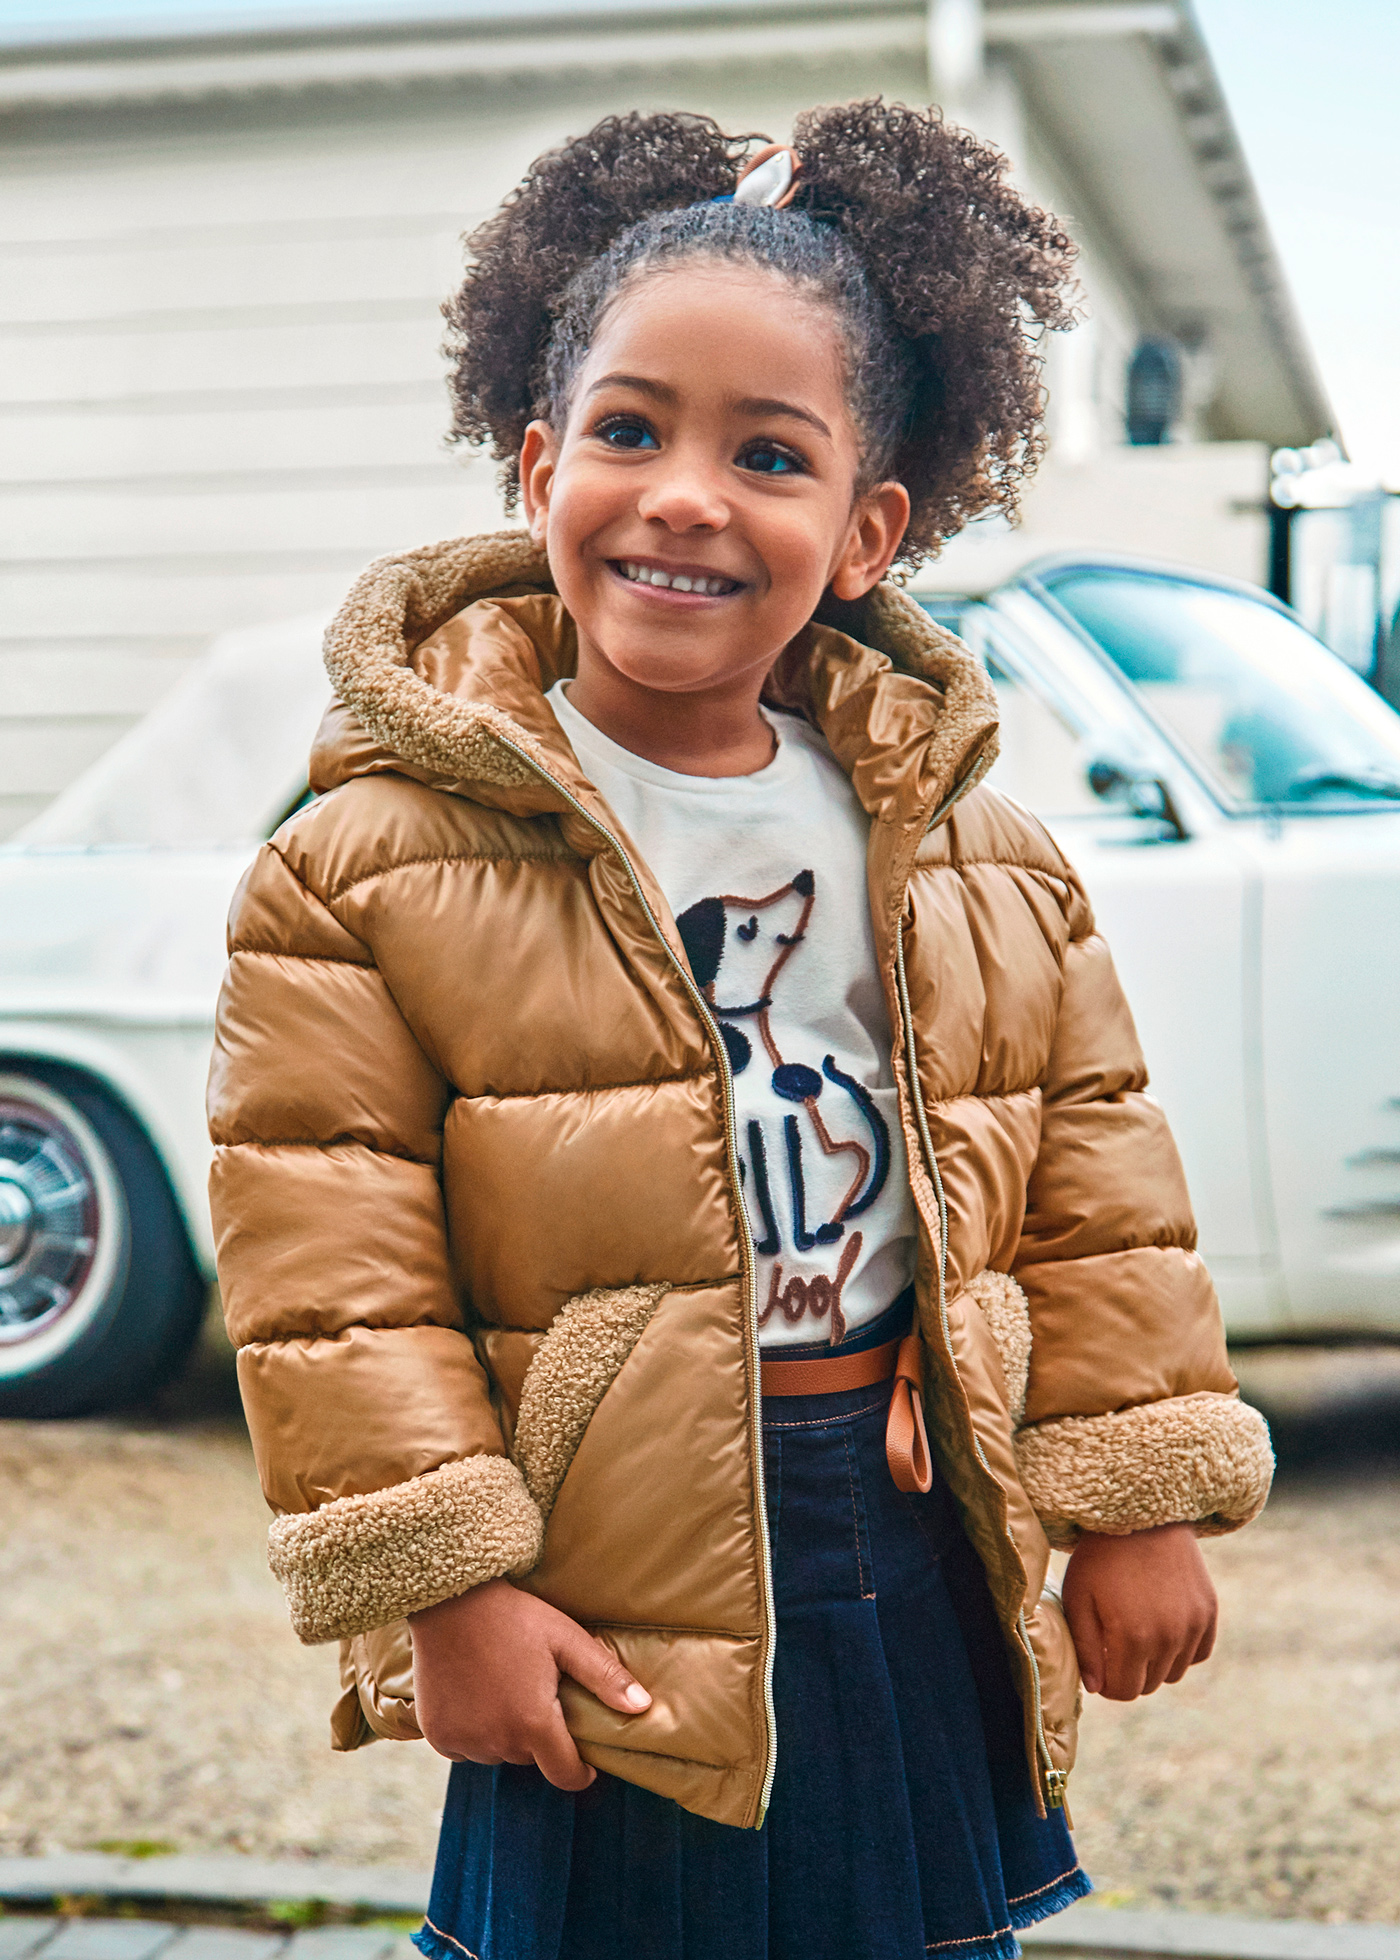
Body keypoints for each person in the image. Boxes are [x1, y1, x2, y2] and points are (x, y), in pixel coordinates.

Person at [207, 101, 1275, 1960]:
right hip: (601, 1554)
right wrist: (446, 1584)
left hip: (900, 1524)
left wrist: (1135, 1500)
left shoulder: (973, 854)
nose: (686, 493)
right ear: (537, 469)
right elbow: (332, 1267)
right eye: (629, 430)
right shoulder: (364, 863)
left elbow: (1098, 1187)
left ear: (867, 532)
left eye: (767, 455)